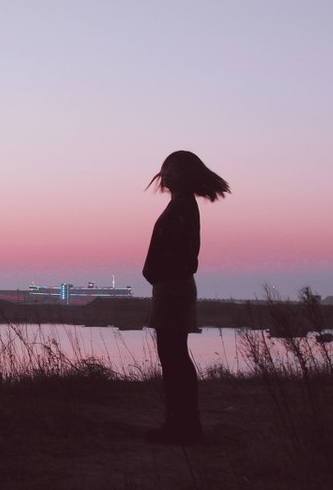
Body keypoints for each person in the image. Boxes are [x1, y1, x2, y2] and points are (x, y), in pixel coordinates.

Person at [142, 150, 229, 444]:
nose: (166, 174)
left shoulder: (183, 206)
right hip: (170, 285)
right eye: (165, 168)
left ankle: (183, 425)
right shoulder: (181, 205)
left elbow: (180, 253)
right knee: (172, 355)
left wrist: (157, 272)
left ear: (185, 175)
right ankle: (181, 423)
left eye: (172, 169)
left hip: (173, 286)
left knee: (173, 356)